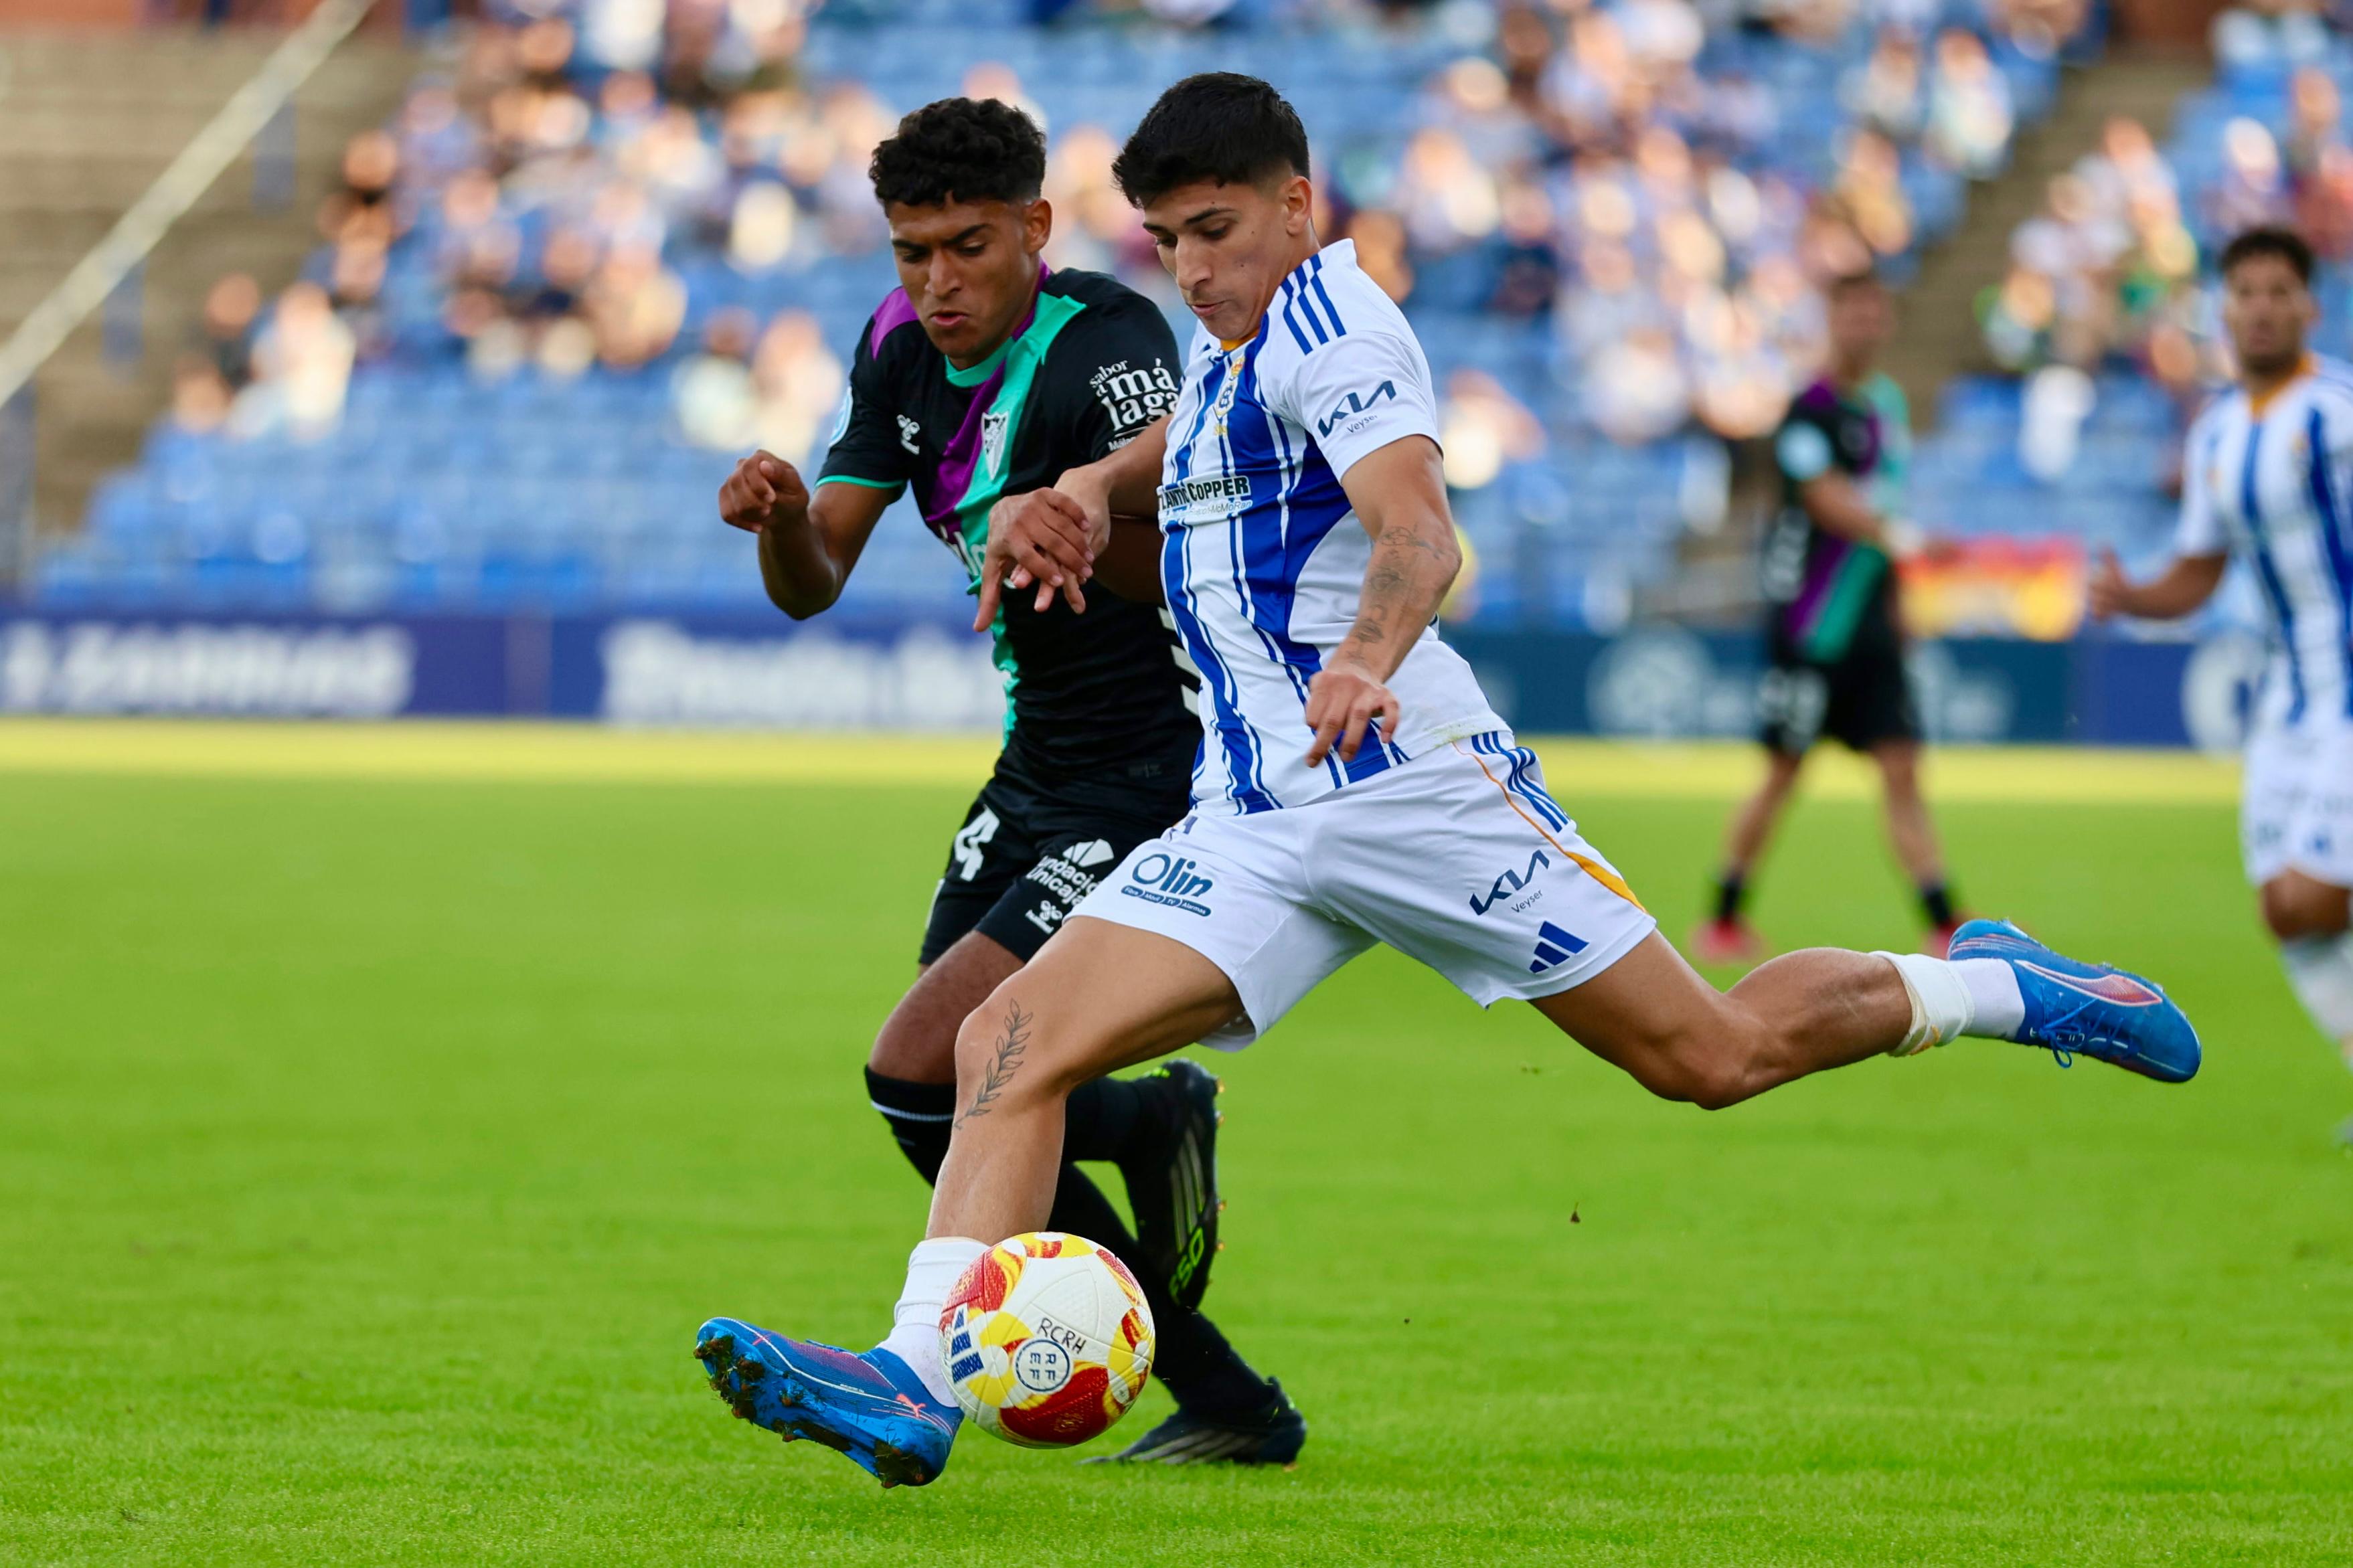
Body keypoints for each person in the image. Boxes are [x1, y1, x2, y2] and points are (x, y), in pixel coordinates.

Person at [696, 74, 2200, 1491]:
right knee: (1003, 1043)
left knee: (1708, 1053)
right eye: (1166, 239)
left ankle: (1993, 985)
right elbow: (1183, 446)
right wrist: (1082, 485)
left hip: (1407, 785)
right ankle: (911, 1375)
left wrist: (1359, 654)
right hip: (1260, 818)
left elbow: (1418, 533)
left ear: (1296, 203)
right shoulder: (1232, 346)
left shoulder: (1338, 325)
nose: (1193, 267)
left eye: (1214, 231)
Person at [708, 96, 1304, 1467]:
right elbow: (813, 588)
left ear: (1035, 229)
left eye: (964, 247)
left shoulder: (1104, 350)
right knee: (918, 1094)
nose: (934, 283)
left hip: (1155, 769)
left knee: (936, 1068)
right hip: (1038, 764)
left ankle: (1122, 1338)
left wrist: (1076, 519)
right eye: (910, 251)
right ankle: (1208, 1342)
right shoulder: (893, 349)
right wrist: (789, 518)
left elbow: (1206, 563)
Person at [2091, 224, 2353, 1139]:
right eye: (2244, 290)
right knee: (2285, 912)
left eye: (2279, 289)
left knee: (2320, 892)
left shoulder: (2336, 411)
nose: (2261, 306)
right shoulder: (2212, 436)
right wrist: (2130, 593)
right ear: (2222, 308)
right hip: (2287, 698)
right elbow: (2197, 571)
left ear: (2308, 305)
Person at [1694, 272, 1967, 966]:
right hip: (1812, 623)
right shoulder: (1806, 410)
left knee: (1902, 768)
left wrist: (1900, 603)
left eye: (1873, 315)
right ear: (1830, 321)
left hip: (1869, 620)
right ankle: (1721, 915)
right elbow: (1826, 501)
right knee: (1782, 771)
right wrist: (1906, 541)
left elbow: (1878, 502)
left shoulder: (1883, 407)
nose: (1862, 327)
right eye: (1850, 314)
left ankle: (1942, 919)